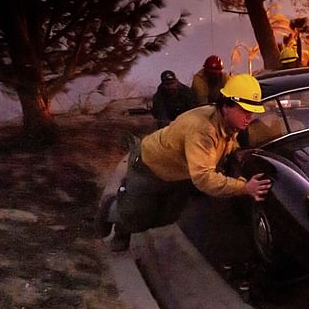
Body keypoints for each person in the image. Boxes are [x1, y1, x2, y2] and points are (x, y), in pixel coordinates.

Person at [96, 74, 273, 252]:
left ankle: (126, 213)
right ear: (226, 106)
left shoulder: (227, 122)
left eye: (252, 111)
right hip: (148, 166)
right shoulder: (202, 130)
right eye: (245, 110)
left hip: (177, 172)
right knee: (137, 216)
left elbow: (227, 144)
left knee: (166, 218)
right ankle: (111, 209)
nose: (249, 117)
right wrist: (244, 188)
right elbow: (203, 178)